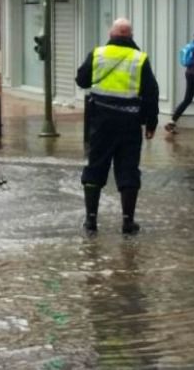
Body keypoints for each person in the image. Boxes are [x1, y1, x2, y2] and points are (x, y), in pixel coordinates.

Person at [76, 18, 159, 236]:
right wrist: (152, 123)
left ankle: (91, 221)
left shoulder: (98, 54)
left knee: (96, 167)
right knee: (128, 170)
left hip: (101, 124)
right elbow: (152, 93)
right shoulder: (139, 58)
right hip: (130, 125)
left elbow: (82, 81)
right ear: (131, 36)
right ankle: (127, 222)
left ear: (111, 35)